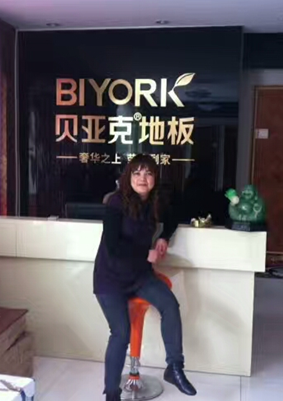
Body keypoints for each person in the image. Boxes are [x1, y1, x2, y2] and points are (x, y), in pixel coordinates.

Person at [94, 154, 197, 401]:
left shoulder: (155, 201)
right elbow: (113, 246)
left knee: (170, 305)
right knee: (121, 333)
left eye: (148, 173)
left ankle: (174, 367)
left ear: (155, 179)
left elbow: (174, 216)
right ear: (128, 177)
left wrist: (164, 236)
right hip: (110, 279)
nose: (142, 178)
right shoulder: (115, 203)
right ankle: (112, 393)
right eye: (137, 173)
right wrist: (145, 253)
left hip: (139, 275)